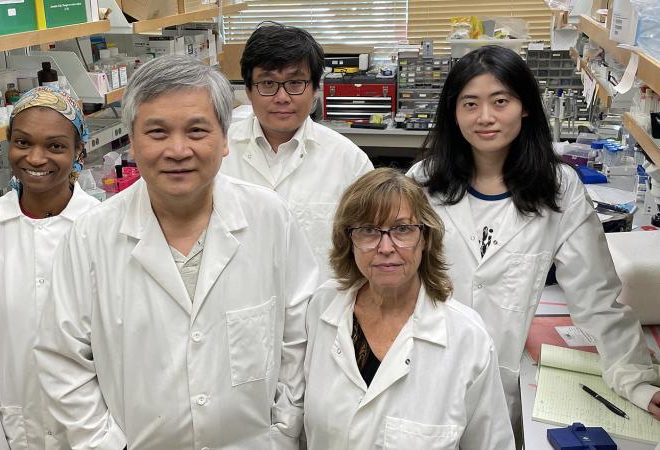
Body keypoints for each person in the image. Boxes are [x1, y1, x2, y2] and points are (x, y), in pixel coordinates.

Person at [33, 55, 320, 449]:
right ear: (132, 142)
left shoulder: (269, 218)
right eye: (157, 132)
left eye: (197, 130)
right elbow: (63, 360)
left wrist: (282, 431)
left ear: (224, 141)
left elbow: (300, 336)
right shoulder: (91, 237)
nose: (178, 149)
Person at [406, 45, 660, 433]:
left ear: (524, 106)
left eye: (500, 101)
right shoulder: (422, 182)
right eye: (470, 104)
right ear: (453, 112)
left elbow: (597, 296)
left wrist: (636, 380)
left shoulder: (559, 189)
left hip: (501, 383)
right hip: (420, 371)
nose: (485, 117)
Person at [303, 168, 514, 449]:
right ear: (348, 240)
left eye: (402, 229)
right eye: (368, 230)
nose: (386, 247)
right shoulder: (323, 307)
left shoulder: (467, 338)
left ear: (425, 238)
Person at [0, 86, 100, 449]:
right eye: (23, 142)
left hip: (96, 431)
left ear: (79, 150)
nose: (35, 158)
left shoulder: (103, 230)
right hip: (16, 432)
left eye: (55, 146)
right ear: (8, 144)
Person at [221, 23, 373, 281]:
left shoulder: (350, 161)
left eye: (295, 82)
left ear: (315, 89)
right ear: (248, 90)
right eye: (267, 83)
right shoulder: (218, 156)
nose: (282, 97)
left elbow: (371, 246)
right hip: (237, 308)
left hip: (320, 312)